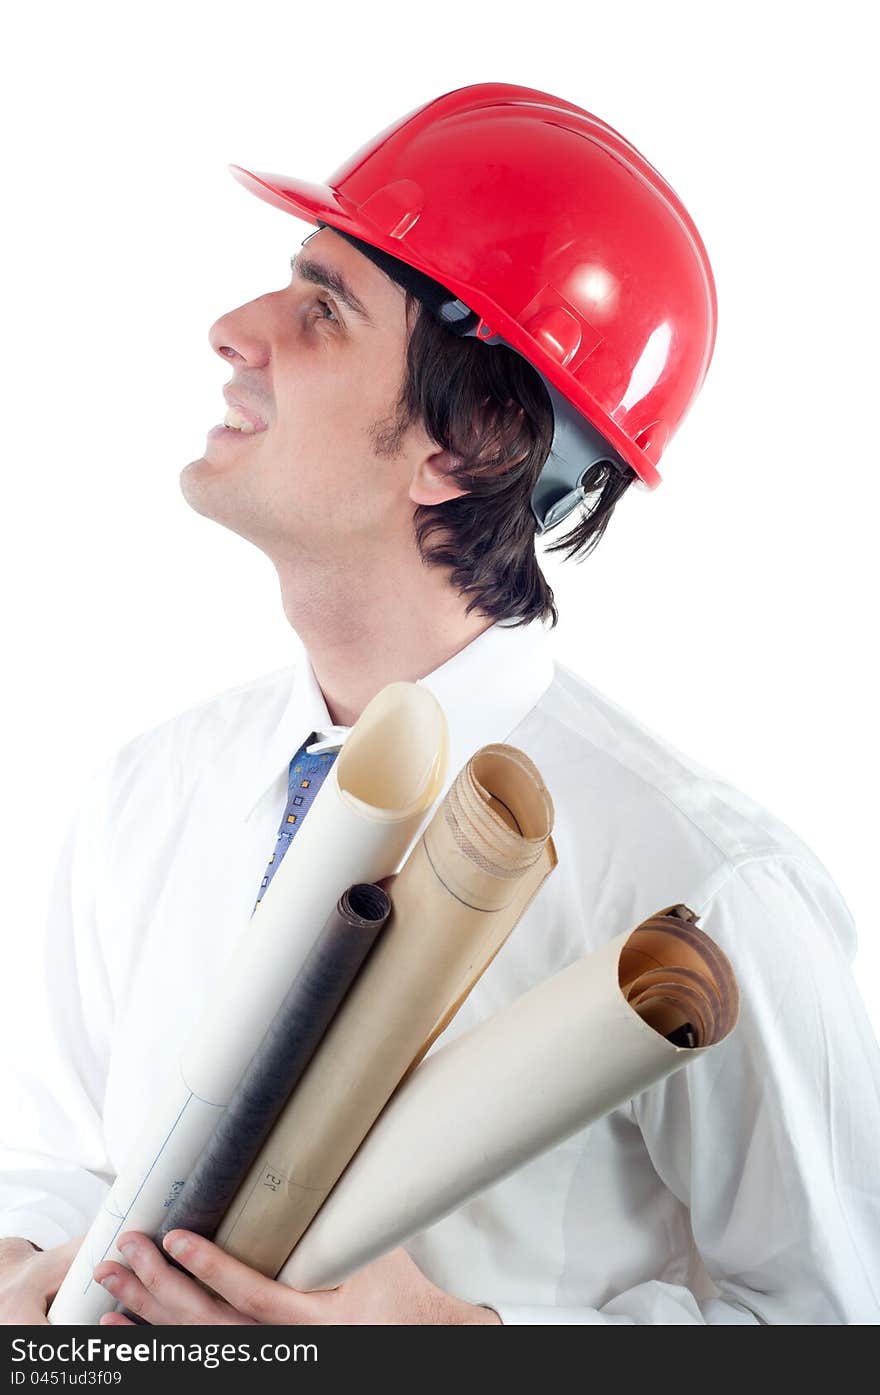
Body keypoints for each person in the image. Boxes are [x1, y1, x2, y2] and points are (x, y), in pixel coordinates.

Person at [2, 83, 879, 1327]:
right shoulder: (146, 793)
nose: (232, 326)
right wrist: (29, 1282)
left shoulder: (704, 885)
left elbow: (836, 1322)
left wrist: (446, 1349)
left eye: (323, 310)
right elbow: (42, 1158)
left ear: (465, 447)